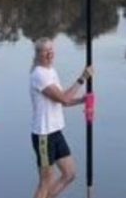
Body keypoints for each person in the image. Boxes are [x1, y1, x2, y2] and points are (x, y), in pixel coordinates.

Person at [30, 38, 93, 198]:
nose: (50, 53)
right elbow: (63, 98)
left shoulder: (51, 71)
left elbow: (63, 102)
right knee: (45, 181)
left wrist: (82, 100)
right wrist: (82, 78)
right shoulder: (38, 75)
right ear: (38, 54)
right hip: (44, 134)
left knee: (69, 173)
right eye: (45, 50)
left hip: (56, 132)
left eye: (52, 49)